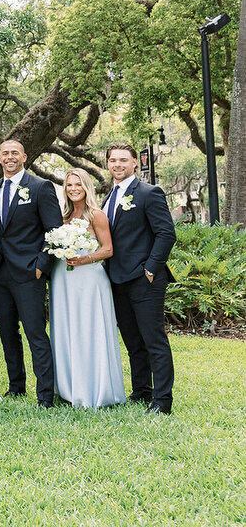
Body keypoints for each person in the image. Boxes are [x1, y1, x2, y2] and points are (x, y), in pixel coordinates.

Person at [0, 139, 63, 408]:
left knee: (35, 334)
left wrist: (41, 265)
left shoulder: (41, 187)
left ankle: (45, 394)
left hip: (30, 272)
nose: (9, 157)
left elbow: (54, 232)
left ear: (24, 157)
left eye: (14, 153)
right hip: (0, 273)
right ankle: (16, 386)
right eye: (5, 154)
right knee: (8, 333)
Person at [103, 143, 176, 415]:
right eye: (113, 160)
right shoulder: (108, 197)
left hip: (145, 280)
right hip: (117, 280)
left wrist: (151, 268)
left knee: (154, 340)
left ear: (135, 163)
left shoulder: (148, 193)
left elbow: (166, 233)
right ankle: (141, 391)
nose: (117, 164)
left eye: (123, 160)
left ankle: (162, 400)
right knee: (133, 341)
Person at [50, 167, 124, 409]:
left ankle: (95, 388)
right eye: (69, 185)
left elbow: (107, 249)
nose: (73, 189)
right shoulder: (62, 216)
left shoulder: (96, 215)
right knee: (67, 328)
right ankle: (68, 388)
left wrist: (82, 259)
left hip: (89, 279)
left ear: (86, 187)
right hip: (63, 278)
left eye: (78, 185)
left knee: (89, 330)